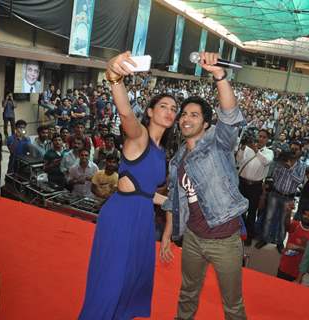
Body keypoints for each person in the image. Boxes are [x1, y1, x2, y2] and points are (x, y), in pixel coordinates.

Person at [79, 51, 177, 319]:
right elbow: (125, 114)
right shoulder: (140, 136)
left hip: (144, 219)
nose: (169, 112)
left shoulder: (160, 152)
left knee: (133, 281)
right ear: (150, 111)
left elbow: (147, 194)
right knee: (110, 282)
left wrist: (174, 207)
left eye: (173, 109)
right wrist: (114, 79)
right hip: (121, 217)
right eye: (163, 106)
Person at [161, 52, 248, 319]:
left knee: (232, 305)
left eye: (195, 115)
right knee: (187, 293)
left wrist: (218, 75)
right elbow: (174, 199)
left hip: (225, 241)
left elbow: (231, 116)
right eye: (184, 114)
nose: (186, 118)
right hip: (193, 239)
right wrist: (168, 233)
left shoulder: (218, 144)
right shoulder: (176, 159)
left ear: (206, 123)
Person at [236, 128, 274, 246]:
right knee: (239, 210)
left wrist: (256, 150)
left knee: (252, 211)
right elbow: (238, 160)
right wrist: (242, 148)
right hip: (242, 183)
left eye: (264, 137)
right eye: (259, 136)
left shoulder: (268, 152)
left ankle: (248, 235)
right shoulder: (247, 148)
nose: (261, 139)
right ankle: (237, 233)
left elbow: (266, 161)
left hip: (256, 186)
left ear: (267, 139)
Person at [277, 205, 309, 281]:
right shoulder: (295, 225)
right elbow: (286, 225)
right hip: (284, 267)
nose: (306, 217)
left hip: (300, 273)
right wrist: (288, 212)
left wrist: (297, 247)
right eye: (305, 214)